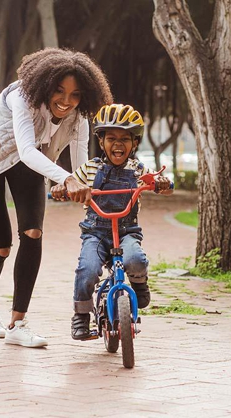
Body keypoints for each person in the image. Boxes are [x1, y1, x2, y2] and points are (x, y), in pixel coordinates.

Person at [0, 48, 113, 347]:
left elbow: (80, 166)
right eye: (59, 91)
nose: (66, 101)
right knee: (1, 245)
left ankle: (17, 323)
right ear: (44, 86)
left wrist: (81, 186)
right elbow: (26, 149)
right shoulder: (20, 97)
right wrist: (64, 178)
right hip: (5, 157)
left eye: (75, 95)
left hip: (27, 163)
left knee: (33, 232)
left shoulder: (79, 119)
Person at [51, 104, 173, 340]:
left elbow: (159, 184)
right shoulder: (90, 168)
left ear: (134, 143)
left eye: (125, 138)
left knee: (135, 259)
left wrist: (163, 184)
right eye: (112, 138)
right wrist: (61, 188)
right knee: (86, 270)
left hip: (127, 231)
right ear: (101, 140)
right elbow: (71, 184)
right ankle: (82, 316)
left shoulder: (138, 170)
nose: (118, 144)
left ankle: (138, 284)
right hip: (96, 232)